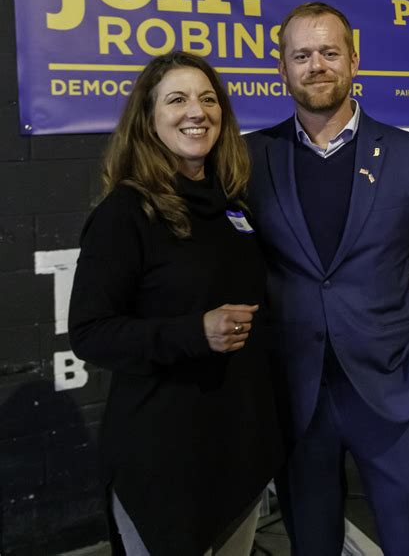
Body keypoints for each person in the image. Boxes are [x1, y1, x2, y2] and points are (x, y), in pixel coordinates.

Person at [246, 2, 409, 556]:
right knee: (312, 545)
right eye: (301, 55)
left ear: (354, 61)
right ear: (282, 69)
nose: (316, 65)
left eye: (329, 52)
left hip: (392, 390)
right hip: (295, 394)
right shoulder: (251, 157)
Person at [68, 51, 283, 556]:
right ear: (148, 118)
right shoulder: (127, 211)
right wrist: (194, 332)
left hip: (235, 452)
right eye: (177, 99)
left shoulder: (233, 206)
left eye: (209, 99)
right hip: (162, 460)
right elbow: (90, 332)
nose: (197, 111)